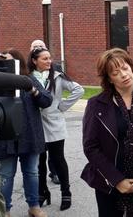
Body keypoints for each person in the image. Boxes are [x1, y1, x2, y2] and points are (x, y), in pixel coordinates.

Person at [81, 48, 133, 216]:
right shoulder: (97, 105)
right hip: (109, 182)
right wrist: (117, 180)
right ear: (108, 79)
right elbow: (91, 147)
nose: (123, 75)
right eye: (115, 73)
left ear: (131, 67)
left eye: (125, 68)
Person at [0, 49, 52, 217]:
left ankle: (34, 206)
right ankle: (5, 209)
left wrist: (33, 90)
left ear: (18, 62)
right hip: (6, 136)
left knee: (32, 172)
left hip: (30, 135)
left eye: (10, 61)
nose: (7, 65)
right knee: (5, 174)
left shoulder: (29, 79)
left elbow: (46, 100)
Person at [28, 47, 84, 211]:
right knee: (39, 162)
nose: (49, 61)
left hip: (54, 124)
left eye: (49, 58)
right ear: (34, 61)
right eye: (44, 59)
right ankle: (42, 192)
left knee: (58, 159)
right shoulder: (29, 77)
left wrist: (61, 106)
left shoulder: (57, 77)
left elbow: (78, 89)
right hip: (36, 125)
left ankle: (66, 192)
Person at [30, 39, 61, 186]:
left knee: (54, 151)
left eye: (41, 46)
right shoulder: (28, 74)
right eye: (35, 47)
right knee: (40, 153)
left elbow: (75, 88)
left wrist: (61, 106)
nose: (48, 60)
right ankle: (37, 180)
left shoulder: (54, 72)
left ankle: (54, 172)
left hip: (51, 118)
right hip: (36, 119)